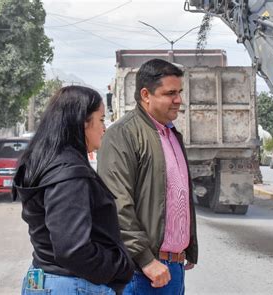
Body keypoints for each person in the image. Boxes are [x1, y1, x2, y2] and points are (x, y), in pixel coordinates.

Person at [13, 86, 134, 294]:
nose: (104, 128)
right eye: (101, 119)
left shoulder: (48, 162)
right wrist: (120, 267)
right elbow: (73, 249)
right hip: (71, 285)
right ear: (82, 123)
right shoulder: (68, 172)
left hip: (49, 281)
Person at [98, 59, 198, 295]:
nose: (178, 100)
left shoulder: (171, 134)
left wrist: (188, 247)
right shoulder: (122, 135)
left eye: (180, 92)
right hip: (142, 273)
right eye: (170, 93)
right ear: (146, 94)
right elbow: (116, 204)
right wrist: (145, 260)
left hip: (173, 268)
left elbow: (177, 195)